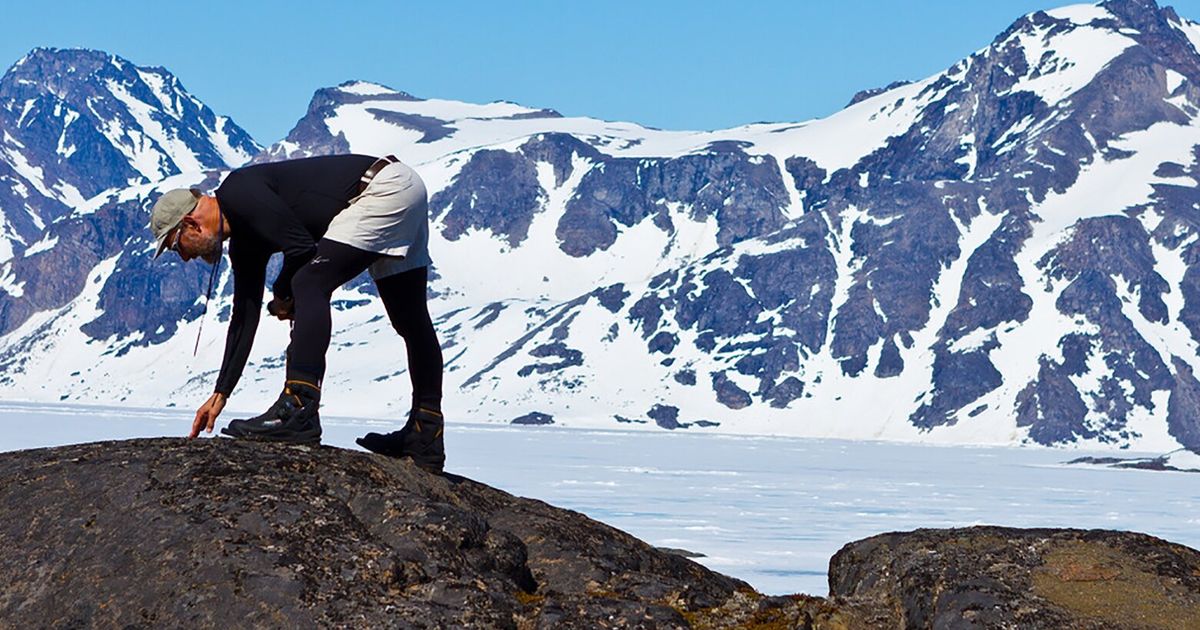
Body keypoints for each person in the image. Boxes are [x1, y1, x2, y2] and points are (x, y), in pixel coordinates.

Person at [148, 154, 446, 472]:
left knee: (308, 282)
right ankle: (425, 435)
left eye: (175, 245)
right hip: (400, 185)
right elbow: (244, 316)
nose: (183, 257)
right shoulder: (242, 240)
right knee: (410, 319)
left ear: (190, 224)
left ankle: (298, 409)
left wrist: (284, 291)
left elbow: (302, 248)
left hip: (380, 191)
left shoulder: (238, 193)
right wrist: (221, 393)